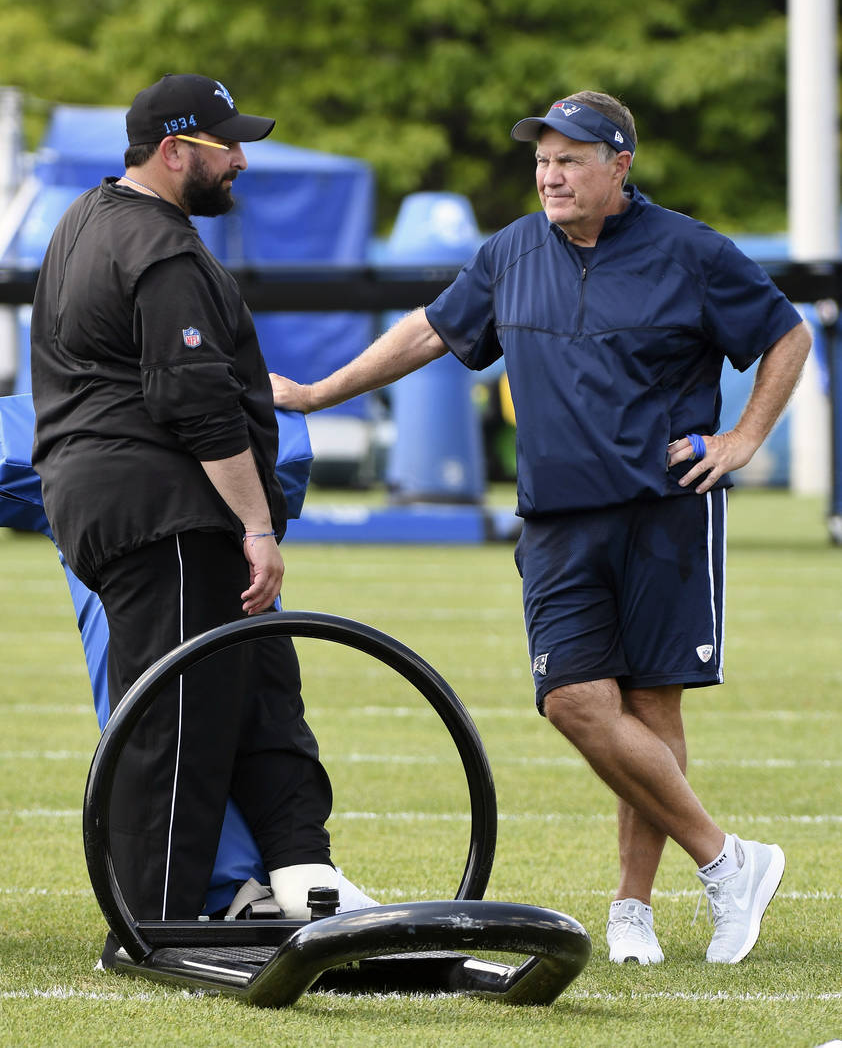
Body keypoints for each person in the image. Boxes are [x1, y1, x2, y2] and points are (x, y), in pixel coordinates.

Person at [270, 91, 811, 965]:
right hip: (555, 519)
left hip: (664, 511)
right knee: (572, 701)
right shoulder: (511, 250)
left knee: (649, 703)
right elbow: (431, 332)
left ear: (619, 166)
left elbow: (786, 335)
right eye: (542, 161)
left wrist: (745, 437)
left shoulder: (693, 251)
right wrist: (316, 392)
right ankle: (727, 860)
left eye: (570, 159)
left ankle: (634, 908)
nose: (551, 176)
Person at [30, 73, 375, 941]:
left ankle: (304, 876)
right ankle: (157, 922)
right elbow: (196, 405)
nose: (242, 161)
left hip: (132, 503)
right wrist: (258, 527)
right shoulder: (160, 249)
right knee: (180, 723)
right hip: (166, 512)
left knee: (263, 690)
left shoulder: (86, 221)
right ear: (176, 151)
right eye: (228, 147)